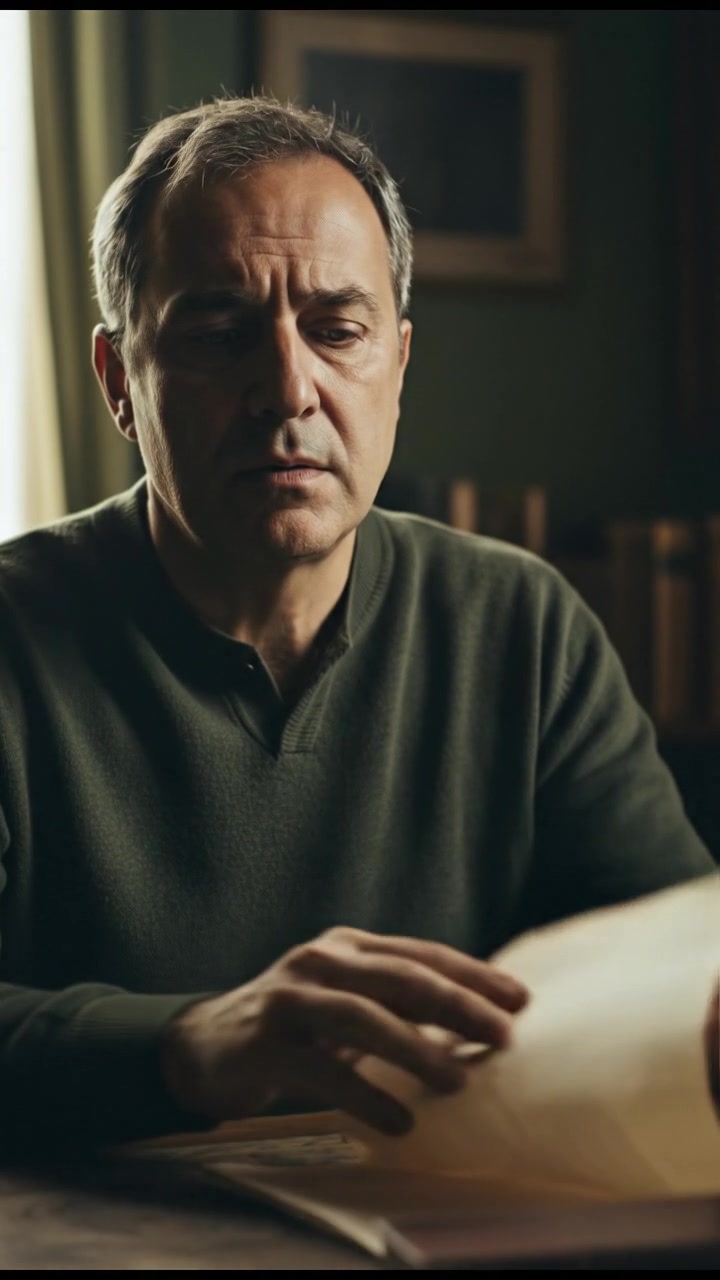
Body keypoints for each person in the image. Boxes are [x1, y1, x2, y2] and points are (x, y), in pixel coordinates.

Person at [0, 96, 714, 1154]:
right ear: (118, 381)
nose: (289, 388)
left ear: (400, 363)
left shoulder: (520, 622)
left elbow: (671, 971)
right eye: (218, 333)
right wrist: (187, 1045)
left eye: (337, 330)